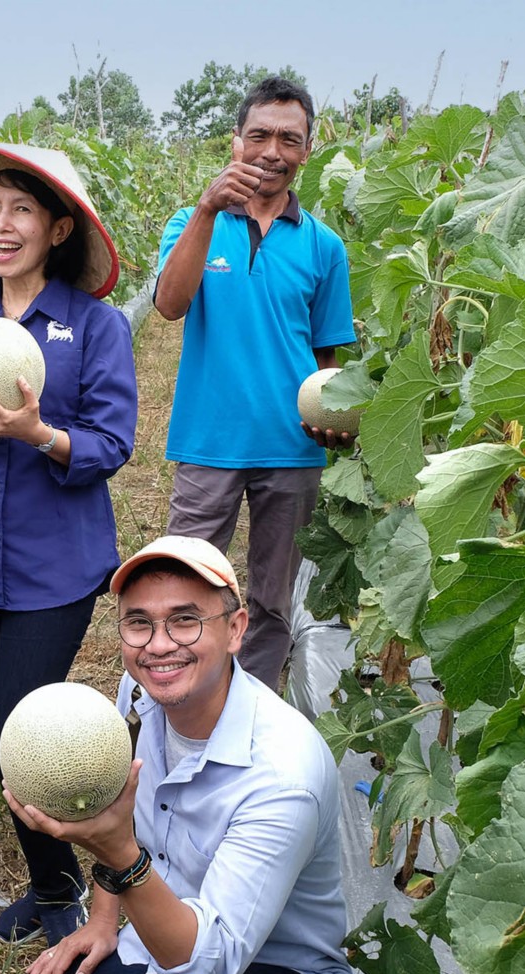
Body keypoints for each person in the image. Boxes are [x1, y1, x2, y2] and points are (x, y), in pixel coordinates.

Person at [0, 535, 353, 974]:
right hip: (157, 932)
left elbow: (210, 971)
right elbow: (121, 804)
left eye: (186, 620)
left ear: (235, 629)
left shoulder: (283, 776)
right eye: (139, 622)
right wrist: (102, 920)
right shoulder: (140, 693)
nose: (159, 645)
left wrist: (115, 849)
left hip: (279, 968)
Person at [0, 142, 137, 944]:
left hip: (56, 569)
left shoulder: (95, 326)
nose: (0, 226)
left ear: (56, 227)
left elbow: (112, 444)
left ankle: (73, 890)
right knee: (1, 734)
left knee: (19, 738)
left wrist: (38, 432)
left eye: (21, 210)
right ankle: (55, 890)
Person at [153, 76, 357, 688]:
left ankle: (255, 707)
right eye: (260, 135)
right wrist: (209, 208)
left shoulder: (324, 246)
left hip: (292, 446)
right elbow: (169, 304)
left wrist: (338, 423)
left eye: (288, 139)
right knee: (184, 584)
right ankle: (178, 700)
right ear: (236, 140)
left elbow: (327, 357)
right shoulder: (193, 222)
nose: (273, 150)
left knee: (271, 598)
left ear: (307, 149)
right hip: (209, 440)